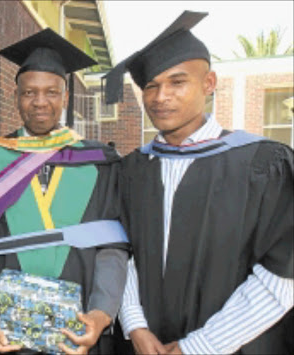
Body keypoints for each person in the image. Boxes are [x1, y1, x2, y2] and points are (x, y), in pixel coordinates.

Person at [104, 11, 294, 355]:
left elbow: (283, 274)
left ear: (208, 84)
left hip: (232, 346)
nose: (161, 97)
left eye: (178, 82)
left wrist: (200, 346)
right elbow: (120, 254)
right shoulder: (132, 170)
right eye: (151, 86)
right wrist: (135, 326)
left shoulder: (264, 164)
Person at [0, 28, 131, 354]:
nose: (40, 102)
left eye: (51, 92)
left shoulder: (100, 162)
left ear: (65, 97)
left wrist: (101, 313)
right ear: (16, 97)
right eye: (29, 93)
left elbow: (113, 247)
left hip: (78, 327)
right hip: (4, 329)